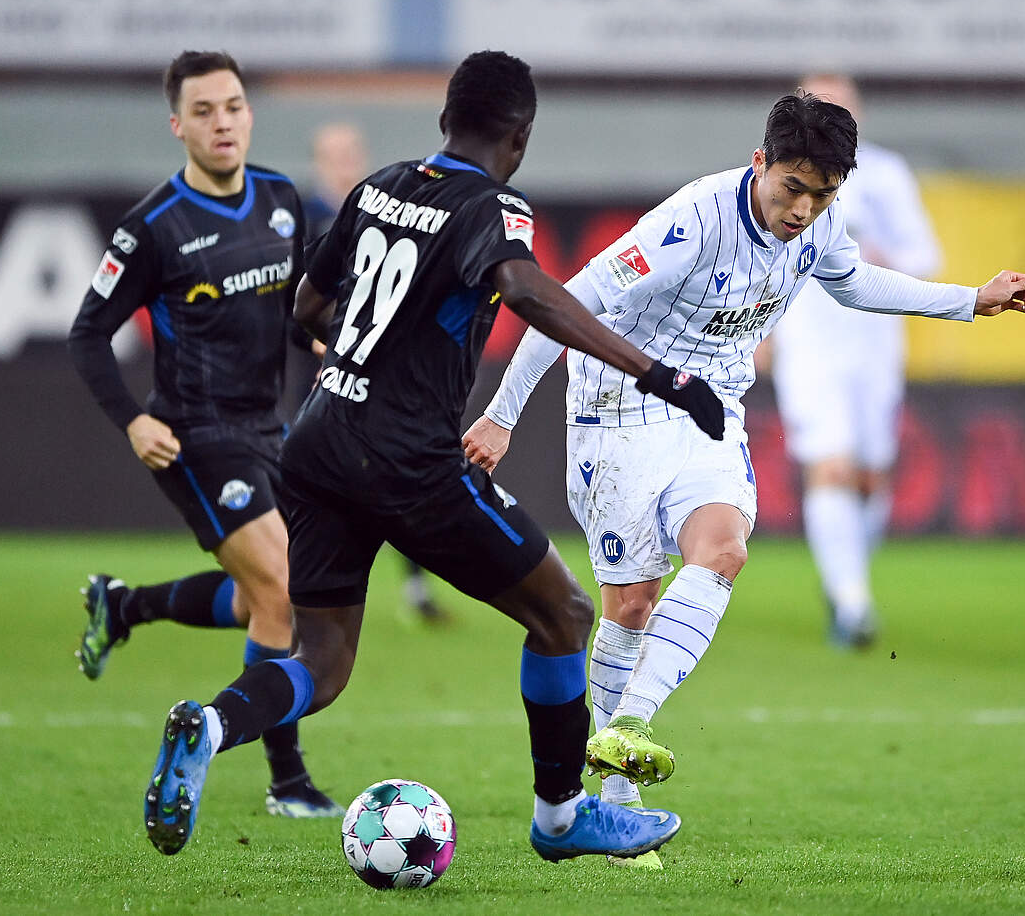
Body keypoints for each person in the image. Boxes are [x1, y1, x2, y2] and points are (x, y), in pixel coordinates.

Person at [141, 50, 723, 862]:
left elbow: (307, 305)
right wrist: (659, 374)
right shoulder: (494, 206)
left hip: (318, 441)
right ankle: (562, 820)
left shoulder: (376, 187)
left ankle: (211, 725)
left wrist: (365, 355)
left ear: (447, 119)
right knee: (563, 614)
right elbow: (525, 289)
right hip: (407, 458)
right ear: (520, 137)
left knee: (322, 662)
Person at [463, 90, 1025, 868]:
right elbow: (564, 303)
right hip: (617, 404)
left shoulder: (821, 221)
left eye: (821, 195)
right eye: (792, 188)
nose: (803, 210)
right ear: (760, 161)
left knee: (724, 549)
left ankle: (627, 724)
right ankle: (619, 798)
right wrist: (501, 416)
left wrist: (970, 300)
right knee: (631, 604)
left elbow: (854, 282)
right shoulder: (691, 222)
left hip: (708, 408)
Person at [68, 50, 340, 820]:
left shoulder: (281, 200)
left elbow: (291, 314)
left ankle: (124, 607)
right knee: (284, 590)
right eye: (204, 111)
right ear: (178, 125)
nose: (223, 123)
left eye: (234, 106)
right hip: (194, 437)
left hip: (270, 430)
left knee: (263, 599)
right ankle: (288, 781)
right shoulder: (152, 227)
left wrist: (318, 340)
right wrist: (134, 420)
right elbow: (87, 336)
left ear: (249, 114)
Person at [768, 74, 943, 648]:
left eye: (837, 107)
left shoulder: (885, 175)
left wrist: (879, 257)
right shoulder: (778, 177)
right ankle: (852, 603)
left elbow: (926, 255)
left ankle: (846, 580)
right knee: (832, 466)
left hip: (874, 343)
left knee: (869, 477)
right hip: (809, 342)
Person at [301, 121, 450, 625]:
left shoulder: (383, 209)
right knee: (328, 480)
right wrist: (320, 344)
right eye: (334, 154)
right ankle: (301, 583)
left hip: (382, 370)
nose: (344, 162)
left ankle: (413, 586)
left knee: (394, 473)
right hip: (324, 369)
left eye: (351, 152)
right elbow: (293, 296)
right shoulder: (307, 217)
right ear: (319, 161)